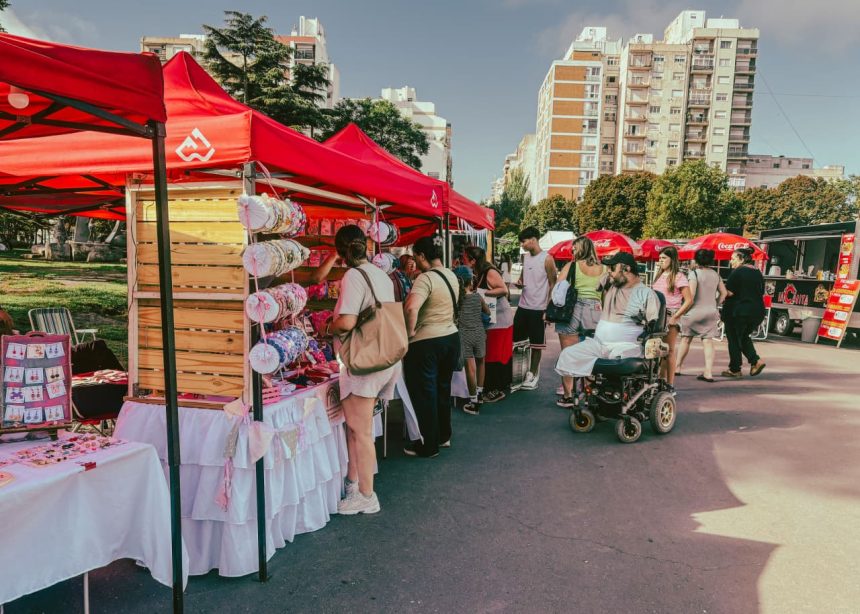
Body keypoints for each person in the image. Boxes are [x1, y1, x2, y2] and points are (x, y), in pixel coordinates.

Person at [328, 225, 401, 515]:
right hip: (384, 356)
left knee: (360, 430)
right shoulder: (379, 273)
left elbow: (346, 322)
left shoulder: (354, 276)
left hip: (365, 360)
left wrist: (327, 326)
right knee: (357, 429)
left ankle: (367, 496)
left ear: (341, 251)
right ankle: (353, 481)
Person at [556, 252, 660, 385]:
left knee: (617, 359)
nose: (608, 271)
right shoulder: (611, 283)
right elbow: (602, 280)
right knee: (568, 354)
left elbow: (653, 325)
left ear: (627, 269)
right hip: (599, 344)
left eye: (612, 268)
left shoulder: (646, 293)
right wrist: (610, 272)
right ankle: (575, 394)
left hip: (625, 347)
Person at [403, 236, 461, 457]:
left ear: (422, 256)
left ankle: (428, 445)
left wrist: (410, 332)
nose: (414, 260)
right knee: (442, 389)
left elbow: (411, 308)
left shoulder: (425, 279)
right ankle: (443, 436)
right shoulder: (450, 275)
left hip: (427, 342)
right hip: (450, 337)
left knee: (425, 392)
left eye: (415, 256)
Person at [554, 237, 604, 408]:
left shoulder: (571, 266)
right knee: (592, 354)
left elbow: (558, 289)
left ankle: (568, 396)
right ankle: (591, 393)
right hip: (596, 310)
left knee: (568, 354)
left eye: (574, 249)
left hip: (572, 309)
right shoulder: (603, 268)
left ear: (579, 249)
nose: (572, 252)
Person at [463, 245, 512, 403]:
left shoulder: (489, 271)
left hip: (500, 318)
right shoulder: (476, 272)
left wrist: (481, 293)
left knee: (495, 354)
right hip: (489, 318)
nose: (463, 261)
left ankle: (495, 389)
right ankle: (489, 387)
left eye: (465, 258)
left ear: (473, 260)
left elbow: (503, 290)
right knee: (488, 353)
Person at [513, 226, 557, 390]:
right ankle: (520, 373)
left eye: (523, 241)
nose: (522, 245)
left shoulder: (547, 258)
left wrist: (548, 309)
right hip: (523, 306)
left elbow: (553, 283)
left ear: (533, 239)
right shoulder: (525, 258)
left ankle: (533, 374)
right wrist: (519, 282)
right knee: (518, 341)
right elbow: (523, 278)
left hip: (539, 308)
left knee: (536, 345)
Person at [676, 249, 727, 382]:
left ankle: (677, 367)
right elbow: (724, 293)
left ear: (696, 260)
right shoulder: (716, 274)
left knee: (686, 339)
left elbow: (691, 295)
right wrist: (715, 304)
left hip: (694, 311)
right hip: (710, 311)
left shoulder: (694, 274)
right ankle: (708, 372)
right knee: (708, 342)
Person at [650, 246, 693, 389]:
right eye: (659, 258)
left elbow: (688, 300)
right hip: (656, 315)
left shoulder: (679, 276)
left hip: (670, 315)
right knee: (657, 350)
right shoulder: (658, 275)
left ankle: (670, 383)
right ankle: (660, 380)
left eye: (664, 258)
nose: (660, 261)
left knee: (669, 350)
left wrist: (676, 316)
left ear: (672, 259)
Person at [722, 247, 766, 378]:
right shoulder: (757, 272)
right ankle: (750, 363)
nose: (731, 262)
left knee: (735, 338)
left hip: (739, 311)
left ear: (741, 259)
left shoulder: (738, 272)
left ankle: (740, 367)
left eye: (733, 259)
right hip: (757, 311)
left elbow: (729, 292)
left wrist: (720, 289)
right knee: (743, 337)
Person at [453, 266, 490, 415]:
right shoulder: (477, 297)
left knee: (470, 368)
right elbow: (487, 311)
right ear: (471, 281)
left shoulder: (458, 300)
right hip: (479, 333)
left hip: (465, 335)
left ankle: (473, 401)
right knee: (481, 362)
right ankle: (480, 393)